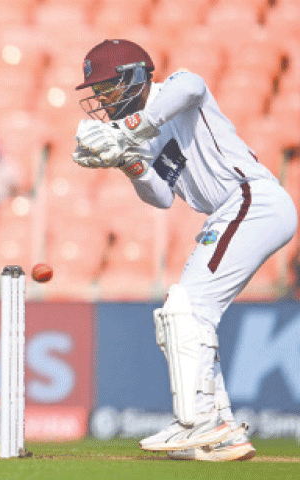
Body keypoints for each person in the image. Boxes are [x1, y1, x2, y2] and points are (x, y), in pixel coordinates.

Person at [72, 39, 297, 462]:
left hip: (251, 199)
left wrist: (129, 129)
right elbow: (159, 197)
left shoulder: (174, 90)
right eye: (97, 93)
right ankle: (221, 431)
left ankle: (199, 422)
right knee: (184, 316)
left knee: (187, 307)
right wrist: (129, 161)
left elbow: (192, 86)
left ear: (135, 77)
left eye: (107, 89)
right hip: (230, 213)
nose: (102, 100)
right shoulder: (142, 131)